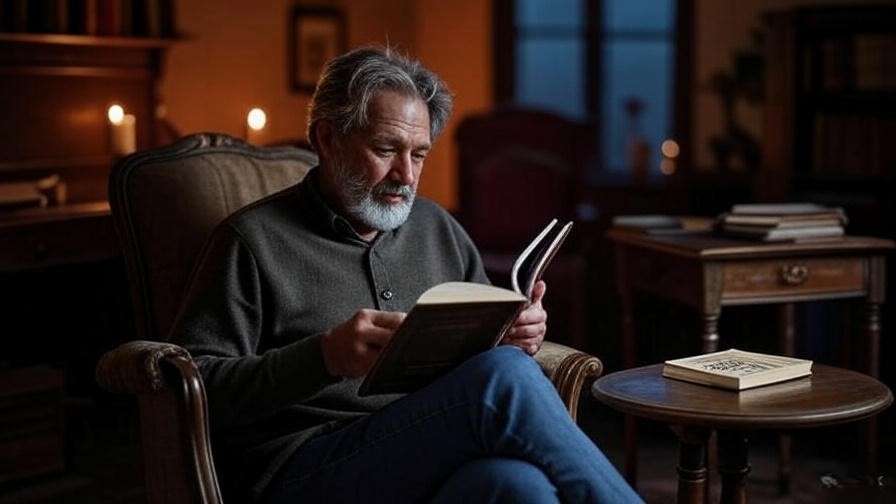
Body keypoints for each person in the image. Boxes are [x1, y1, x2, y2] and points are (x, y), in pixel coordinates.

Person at [171, 47, 642, 504]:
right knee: (505, 377)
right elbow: (193, 391)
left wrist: (514, 335)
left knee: (517, 485)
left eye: (419, 154)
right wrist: (322, 357)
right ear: (326, 140)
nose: (406, 175)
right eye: (385, 149)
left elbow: (478, 366)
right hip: (300, 469)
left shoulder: (439, 228)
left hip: (422, 450)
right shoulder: (250, 240)